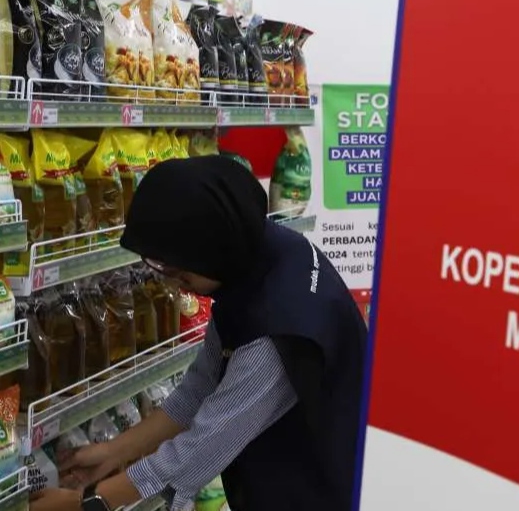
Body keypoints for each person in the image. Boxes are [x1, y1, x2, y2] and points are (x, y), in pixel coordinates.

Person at [31, 156, 369, 511]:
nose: (169, 281)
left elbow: (199, 451)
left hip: (316, 492)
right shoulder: (253, 257)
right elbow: (200, 387)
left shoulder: (281, 332)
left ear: (212, 252)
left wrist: (85, 503)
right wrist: (115, 451)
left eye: (175, 269)